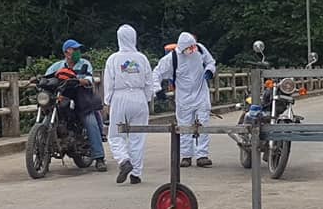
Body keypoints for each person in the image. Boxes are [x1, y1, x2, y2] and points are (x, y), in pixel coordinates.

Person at [153, 32, 217, 167]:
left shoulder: (200, 49)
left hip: (201, 94)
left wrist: (210, 71)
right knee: (184, 126)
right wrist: (157, 89)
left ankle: (202, 155)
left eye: (193, 47)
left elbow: (210, 62)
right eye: (190, 48)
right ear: (182, 48)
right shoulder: (172, 58)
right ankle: (186, 155)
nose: (192, 50)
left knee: (203, 124)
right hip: (184, 97)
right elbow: (157, 73)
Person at [46, 39, 107, 172]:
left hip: (81, 98)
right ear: (66, 52)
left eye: (78, 49)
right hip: (63, 99)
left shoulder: (85, 64)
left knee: (90, 121)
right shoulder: (57, 66)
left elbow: (89, 79)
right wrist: (37, 79)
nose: (77, 52)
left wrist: (82, 80)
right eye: (74, 49)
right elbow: (47, 77)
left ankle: (99, 158)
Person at [103, 25, 154, 184]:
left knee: (115, 135)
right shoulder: (142, 58)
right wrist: (146, 98)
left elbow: (109, 83)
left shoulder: (113, 59)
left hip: (120, 97)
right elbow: (149, 82)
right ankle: (136, 174)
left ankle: (124, 160)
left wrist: (107, 101)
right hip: (139, 97)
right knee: (137, 137)